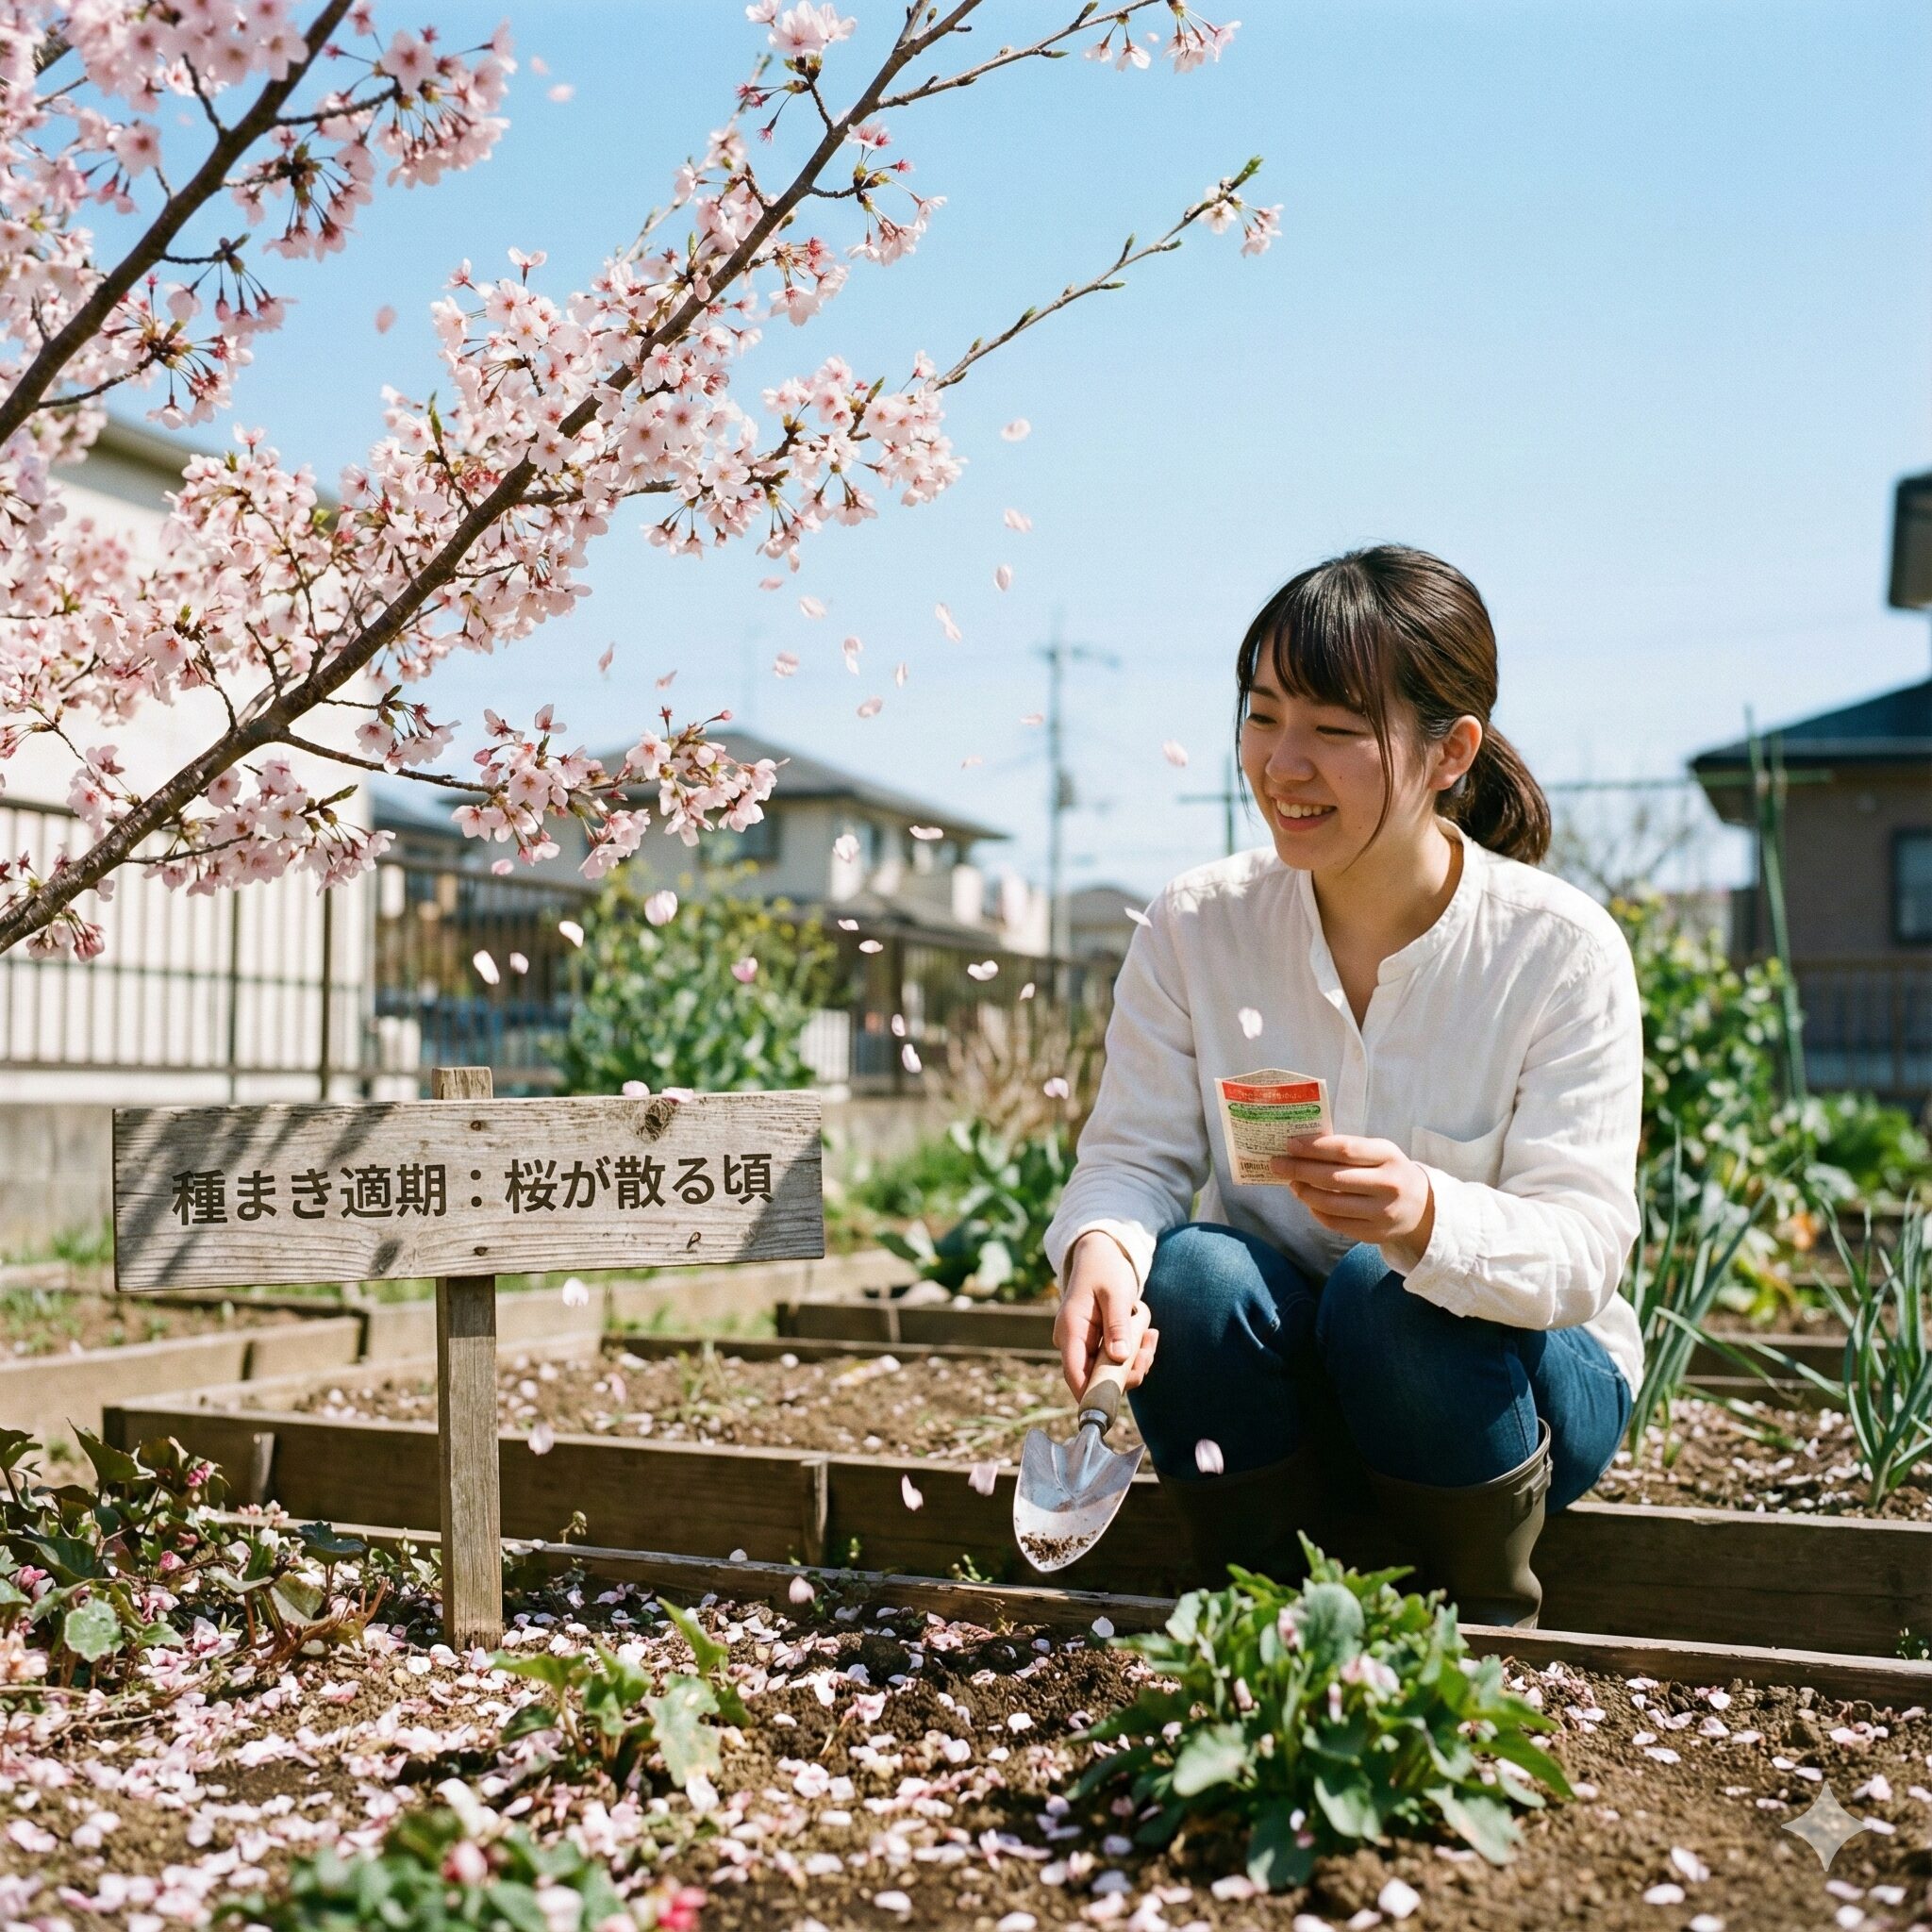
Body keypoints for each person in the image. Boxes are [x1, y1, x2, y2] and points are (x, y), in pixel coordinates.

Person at [1042, 545, 1643, 1628]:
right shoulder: (1196, 924)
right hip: (1299, 1368)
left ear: (1447, 750)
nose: (1282, 763)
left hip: (1518, 1376)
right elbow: (1131, 1156)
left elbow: (1584, 1246)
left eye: (1331, 729)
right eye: (1262, 715)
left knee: (1388, 1290)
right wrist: (1097, 1251)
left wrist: (1426, 1216)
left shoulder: (1556, 951)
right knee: (1185, 1275)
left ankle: (1474, 1608)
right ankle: (1257, 1602)